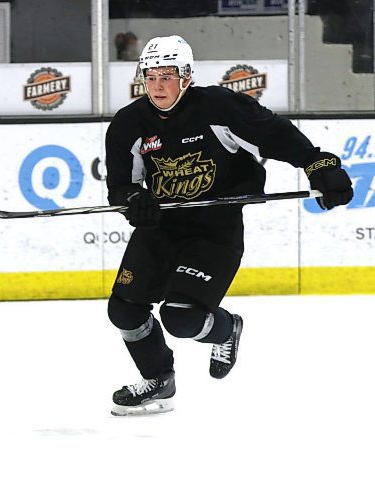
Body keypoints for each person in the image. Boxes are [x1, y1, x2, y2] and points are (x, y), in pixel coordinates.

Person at [105, 35, 353, 416]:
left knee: (181, 318)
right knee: (124, 310)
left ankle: (227, 329)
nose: (157, 85)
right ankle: (158, 379)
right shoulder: (128, 124)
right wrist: (134, 202)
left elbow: (279, 136)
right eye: (150, 75)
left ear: (186, 76)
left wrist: (321, 166)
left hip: (213, 231)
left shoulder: (220, 107)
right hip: (161, 229)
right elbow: (122, 185)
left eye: (167, 75)